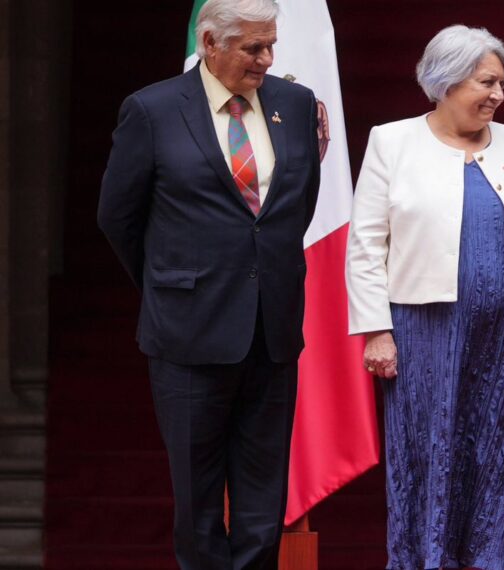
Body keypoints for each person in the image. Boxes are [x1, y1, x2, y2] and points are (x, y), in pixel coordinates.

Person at [96, 0, 320, 566]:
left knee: (263, 503)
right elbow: (117, 217)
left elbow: (295, 207)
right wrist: (173, 285)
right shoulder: (152, 109)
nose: (267, 59)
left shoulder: (293, 105)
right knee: (197, 505)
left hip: (272, 330)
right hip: (189, 335)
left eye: (271, 45)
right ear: (210, 42)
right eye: (253, 47)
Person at [345, 24, 504, 570]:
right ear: (446, 82)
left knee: (494, 454)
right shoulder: (391, 141)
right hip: (422, 333)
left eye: (502, 83)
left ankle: (487, 561)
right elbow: (366, 244)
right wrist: (376, 329)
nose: (498, 95)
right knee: (425, 454)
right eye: (486, 82)